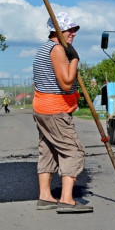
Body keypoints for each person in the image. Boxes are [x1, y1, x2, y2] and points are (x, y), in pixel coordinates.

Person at [32, 12, 93, 213]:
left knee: (48, 150)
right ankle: (67, 199)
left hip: (42, 107)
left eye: (74, 30)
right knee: (74, 151)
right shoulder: (57, 49)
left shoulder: (43, 49)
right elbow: (66, 84)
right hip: (55, 110)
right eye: (70, 30)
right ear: (57, 30)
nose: (73, 34)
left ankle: (45, 197)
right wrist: (75, 59)